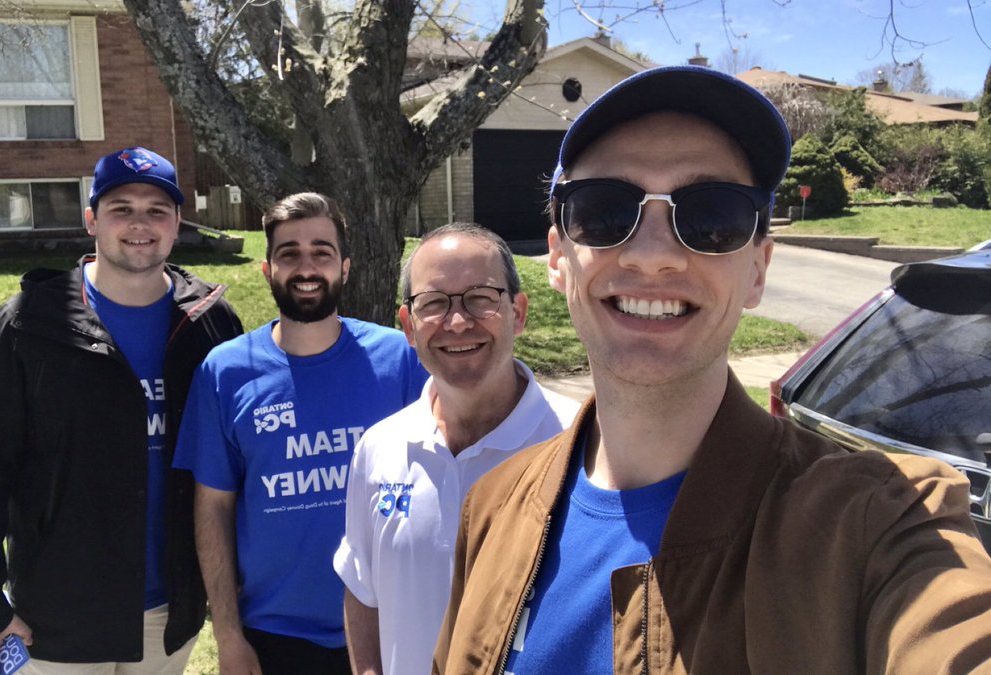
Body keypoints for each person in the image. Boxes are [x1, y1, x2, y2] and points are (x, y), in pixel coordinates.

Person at [433, 66, 991, 674]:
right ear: (558, 257)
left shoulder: (879, 521)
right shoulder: (491, 507)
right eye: (603, 210)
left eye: (712, 216)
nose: (652, 256)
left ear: (757, 269)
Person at [0, 146, 243, 675]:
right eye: (121, 208)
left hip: (168, 612)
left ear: (177, 222)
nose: (139, 225)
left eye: (156, 210)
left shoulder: (210, 324)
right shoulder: (30, 325)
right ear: (91, 220)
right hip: (59, 616)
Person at [178, 192, 428, 675]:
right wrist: (227, 635)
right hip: (276, 635)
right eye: (289, 253)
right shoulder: (225, 372)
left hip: (393, 624)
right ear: (267, 270)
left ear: (346, 267)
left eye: (322, 252)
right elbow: (213, 506)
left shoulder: (400, 359)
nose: (306, 267)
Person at [333, 223, 579, 675]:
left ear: (518, 313)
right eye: (433, 304)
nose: (458, 321)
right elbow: (362, 589)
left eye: (481, 297)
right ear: (408, 326)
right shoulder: (379, 448)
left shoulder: (580, 445)